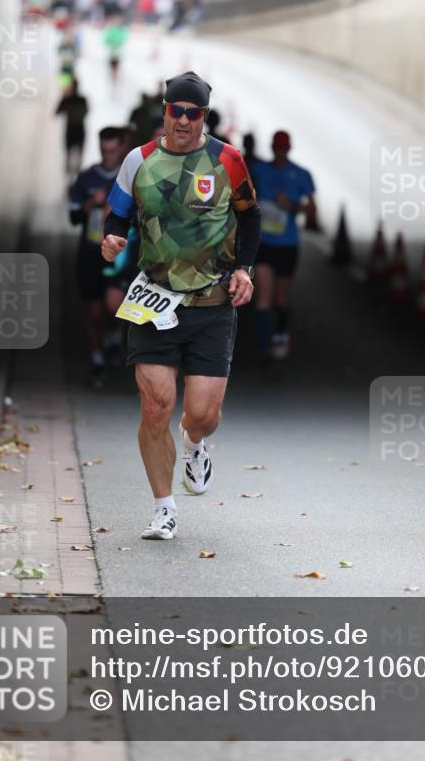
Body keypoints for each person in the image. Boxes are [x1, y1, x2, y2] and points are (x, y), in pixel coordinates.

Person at [101, 71, 261, 540]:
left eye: (195, 114)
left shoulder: (227, 160)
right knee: (155, 407)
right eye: (177, 111)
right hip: (154, 300)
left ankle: (194, 444)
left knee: (202, 413)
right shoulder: (139, 160)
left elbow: (251, 218)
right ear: (165, 112)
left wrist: (244, 270)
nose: (185, 121)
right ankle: (164, 508)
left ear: (204, 118)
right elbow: (116, 213)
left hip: (212, 304)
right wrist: (111, 239)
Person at [69, 126, 133, 386]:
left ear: (120, 148)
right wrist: (89, 204)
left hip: (118, 255)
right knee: (93, 311)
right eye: (104, 150)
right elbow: (73, 218)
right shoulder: (86, 178)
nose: (108, 155)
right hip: (90, 252)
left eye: (112, 150)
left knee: (114, 306)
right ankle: (97, 358)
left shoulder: (128, 178)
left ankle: (116, 336)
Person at [251, 130, 317, 360]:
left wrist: (291, 206)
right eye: (276, 148)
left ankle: (279, 333)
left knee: (280, 298)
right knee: (263, 297)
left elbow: (312, 209)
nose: (279, 151)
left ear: (289, 148)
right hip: (265, 243)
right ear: (272, 148)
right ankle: (262, 345)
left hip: (287, 244)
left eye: (283, 148)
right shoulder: (260, 170)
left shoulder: (300, 175)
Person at [55, 76, 89, 178]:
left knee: (69, 154)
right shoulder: (83, 100)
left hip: (70, 129)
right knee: (79, 155)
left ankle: (69, 177)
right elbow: (87, 111)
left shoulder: (67, 100)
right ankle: (76, 176)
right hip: (80, 129)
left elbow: (57, 112)